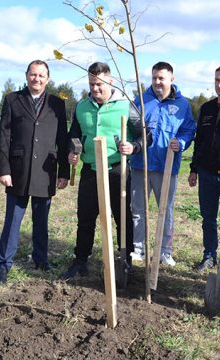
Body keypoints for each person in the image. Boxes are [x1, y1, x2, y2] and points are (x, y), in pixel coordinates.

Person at [60, 62, 145, 280]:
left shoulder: (127, 106)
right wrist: (72, 150)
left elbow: (145, 136)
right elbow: (74, 136)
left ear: (111, 81)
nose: (95, 89)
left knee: (122, 218)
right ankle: (80, 261)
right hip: (90, 170)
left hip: (118, 170)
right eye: (91, 84)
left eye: (99, 84)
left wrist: (133, 147)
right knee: (85, 218)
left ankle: (124, 262)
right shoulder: (82, 107)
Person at [0, 60, 70, 284]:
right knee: (12, 220)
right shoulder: (12, 100)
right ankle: (3, 264)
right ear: (26, 75)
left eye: (41, 75)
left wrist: (63, 172)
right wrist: (3, 169)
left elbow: (62, 140)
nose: (37, 79)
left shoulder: (57, 104)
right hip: (18, 171)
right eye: (33, 74)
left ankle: (40, 259)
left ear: (48, 78)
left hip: (45, 172)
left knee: (41, 220)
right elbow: (4, 137)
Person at [130, 61, 196, 266]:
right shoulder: (140, 100)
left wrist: (182, 142)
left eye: (162, 78)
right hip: (140, 165)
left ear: (171, 79)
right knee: (138, 210)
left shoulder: (182, 104)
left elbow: (189, 129)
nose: (157, 82)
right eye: (154, 78)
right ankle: (138, 250)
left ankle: (164, 252)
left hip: (166, 167)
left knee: (165, 211)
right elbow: (131, 128)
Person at [188, 64, 220, 271]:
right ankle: (209, 255)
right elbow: (199, 140)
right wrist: (193, 169)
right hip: (207, 173)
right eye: (217, 80)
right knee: (208, 217)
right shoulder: (207, 109)